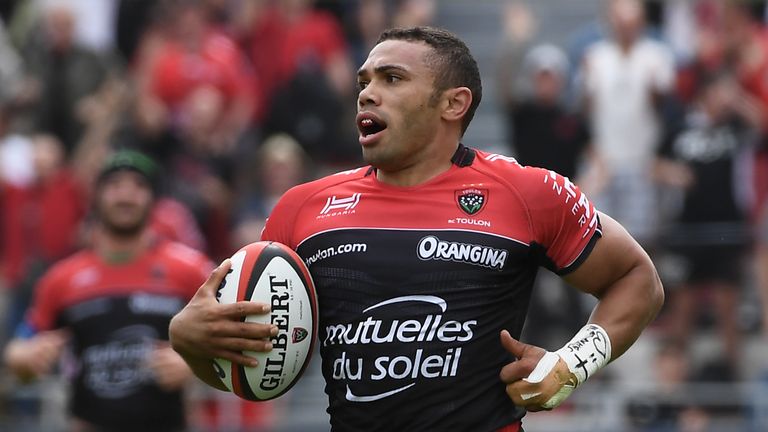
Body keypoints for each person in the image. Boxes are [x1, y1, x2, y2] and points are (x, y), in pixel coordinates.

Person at [170, 26, 664, 431]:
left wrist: (571, 366)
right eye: (364, 80)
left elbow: (637, 280)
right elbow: (256, 358)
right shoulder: (302, 208)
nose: (367, 92)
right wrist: (190, 342)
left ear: (453, 104)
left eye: (391, 78)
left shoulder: (527, 192)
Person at [3, 149, 213, 432]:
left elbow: (231, 337)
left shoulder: (191, 270)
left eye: (138, 186)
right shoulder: (62, 279)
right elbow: (17, 349)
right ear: (96, 198)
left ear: (154, 199)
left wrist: (194, 364)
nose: (125, 195)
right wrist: (27, 358)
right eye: (114, 185)